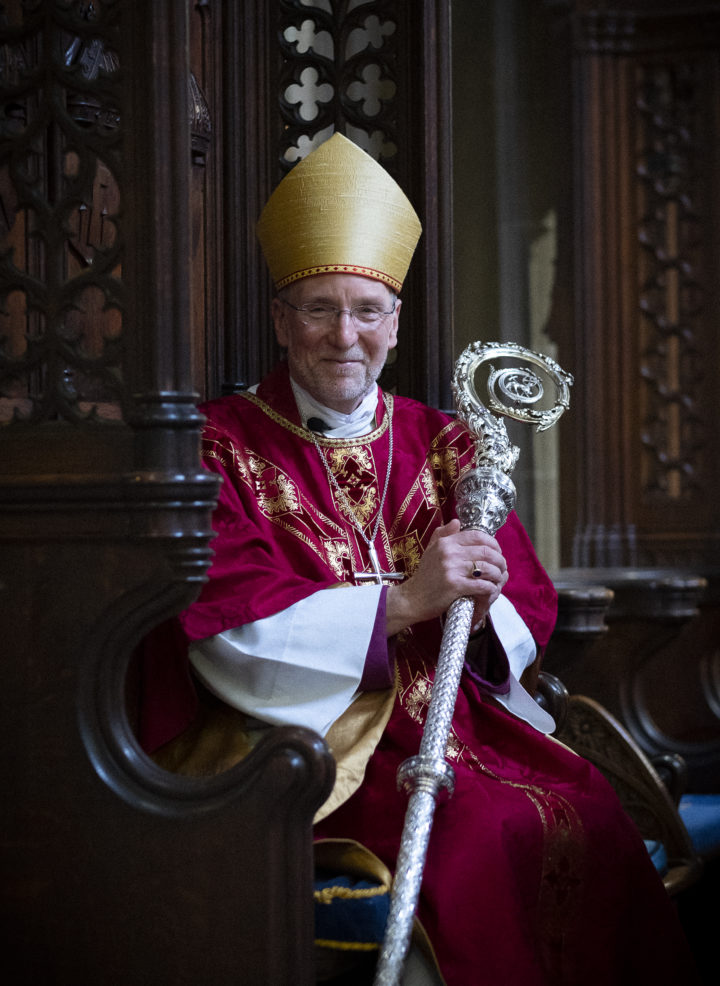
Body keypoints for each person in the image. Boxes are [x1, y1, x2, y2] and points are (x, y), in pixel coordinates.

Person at [140, 133, 697, 985]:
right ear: (282, 318)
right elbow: (224, 618)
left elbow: (527, 608)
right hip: (307, 740)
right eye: (319, 309)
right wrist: (403, 602)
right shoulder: (222, 447)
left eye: (366, 311)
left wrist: (484, 599)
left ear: (395, 324)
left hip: (457, 725)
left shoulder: (447, 443)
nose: (343, 336)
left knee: (587, 810)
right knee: (471, 838)